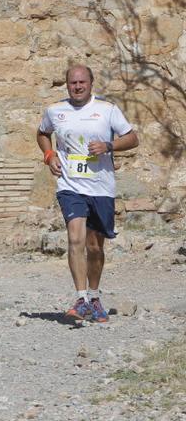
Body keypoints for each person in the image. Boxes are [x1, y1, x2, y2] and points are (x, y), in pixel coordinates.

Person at [37, 65, 138, 323]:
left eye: (82, 82)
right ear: (67, 85)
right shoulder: (55, 111)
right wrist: (50, 155)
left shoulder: (107, 110)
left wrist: (108, 145)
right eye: (73, 83)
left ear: (91, 83)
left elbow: (132, 138)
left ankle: (94, 297)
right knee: (75, 237)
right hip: (70, 185)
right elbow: (42, 133)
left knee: (94, 248)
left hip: (101, 187)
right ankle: (81, 298)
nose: (77, 86)